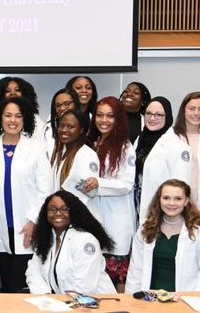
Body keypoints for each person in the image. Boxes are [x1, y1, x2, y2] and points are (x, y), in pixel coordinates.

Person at [0, 97, 52, 293]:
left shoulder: (37, 148)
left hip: (26, 227)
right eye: (8, 115)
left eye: (18, 116)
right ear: (0, 118)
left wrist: (33, 221)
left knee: (20, 286)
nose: (13, 120)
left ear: (25, 119)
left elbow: (45, 189)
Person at [139, 92, 200, 230]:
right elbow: (155, 178)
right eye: (191, 108)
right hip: (174, 210)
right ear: (183, 111)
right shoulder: (168, 140)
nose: (196, 113)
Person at [80, 97, 138, 290]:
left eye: (110, 116)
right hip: (95, 218)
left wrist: (99, 183)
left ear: (118, 119)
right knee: (96, 278)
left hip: (116, 221)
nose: (103, 120)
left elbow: (126, 184)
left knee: (117, 279)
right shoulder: (93, 143)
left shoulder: (125, 147)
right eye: (99, 115)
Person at [124, 179, 200, 293]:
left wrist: (194, 301)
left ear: (186, 201)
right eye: (166, 198)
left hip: (185, 302)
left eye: (178, 198)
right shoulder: (145, 230)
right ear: (159, 200)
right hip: (150, 300)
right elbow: (135, 270)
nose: (171, 203)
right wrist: (132, 300)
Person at [26, 190, 115, 295]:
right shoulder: (46, 239)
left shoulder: (85, 240)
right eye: (52, 209)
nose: (58, 213)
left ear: (73, 211)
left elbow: (84, 288)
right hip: (63, 304)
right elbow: (33, 272)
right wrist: (45, 296)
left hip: (97, 305)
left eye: (64, 209)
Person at [132, 97, 173, 221]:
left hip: (162, 206)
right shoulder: (140, 140)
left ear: (168, 117)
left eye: (158, 114)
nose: (152, 118)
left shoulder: (174, 143)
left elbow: (180, 182)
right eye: (148, 113)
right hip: (138, 201)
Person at [50, 110, 98, 203]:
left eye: (70, 127)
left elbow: (89, 191)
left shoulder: (87, 154)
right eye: (61, 126)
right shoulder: (59, 154)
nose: (64, 130)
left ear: (82, 130)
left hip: (77, 212)